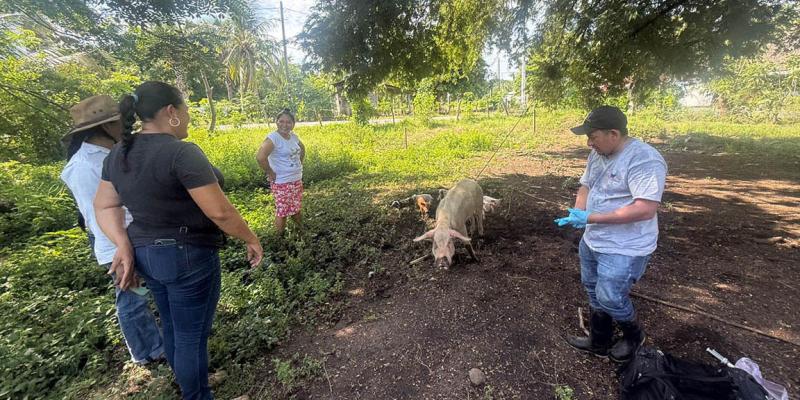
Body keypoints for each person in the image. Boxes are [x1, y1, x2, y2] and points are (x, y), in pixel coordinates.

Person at [94, 81, 263, 400]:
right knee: (190, 336)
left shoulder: (118, 154)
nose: (187, 117)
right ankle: (196, 394)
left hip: (147, 256)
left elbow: (103, 204)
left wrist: (122, 243)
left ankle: (191, 385)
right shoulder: (180, 152)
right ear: (171, 112)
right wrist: (250, 237)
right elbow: (220, 212)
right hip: (187, 256)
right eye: (185, 111)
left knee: (172, 327)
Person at [555, 105, 667, 363]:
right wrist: (578, 211)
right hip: (594, 239)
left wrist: (591, 218)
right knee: (593, 288)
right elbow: (586, 184)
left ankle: (633, 335)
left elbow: (645, 208)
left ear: (613, 134)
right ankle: (600, 339)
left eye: (593, 136)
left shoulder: (644, 159)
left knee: (611, 295)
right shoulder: (598, 153)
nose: (588, 143)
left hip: (625, 246)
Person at [59, 95, 164, 365]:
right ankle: (148, 351)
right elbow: (95, 215)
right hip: (117, 242)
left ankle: (157, 341)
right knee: (131, 297)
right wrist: (119, 250)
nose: (124, 125)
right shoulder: (83, 166)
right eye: (119, 122)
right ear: (105, 127)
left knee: (142, 290)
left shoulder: (112, 152)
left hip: (136, 234)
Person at [255, 108, 305, 236]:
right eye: (281, 121)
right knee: (282, 212)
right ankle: (279, 240)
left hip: (296, 179)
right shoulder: (273, 138)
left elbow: (302, 148)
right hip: (282, 181)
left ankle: (301, 231)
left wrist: (299, 163)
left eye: (288, 122)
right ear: (276, 122)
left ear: (293, 124)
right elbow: (261, 157)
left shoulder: (293, 136)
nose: (285, 124)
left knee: (296, 207)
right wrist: (270, 172)